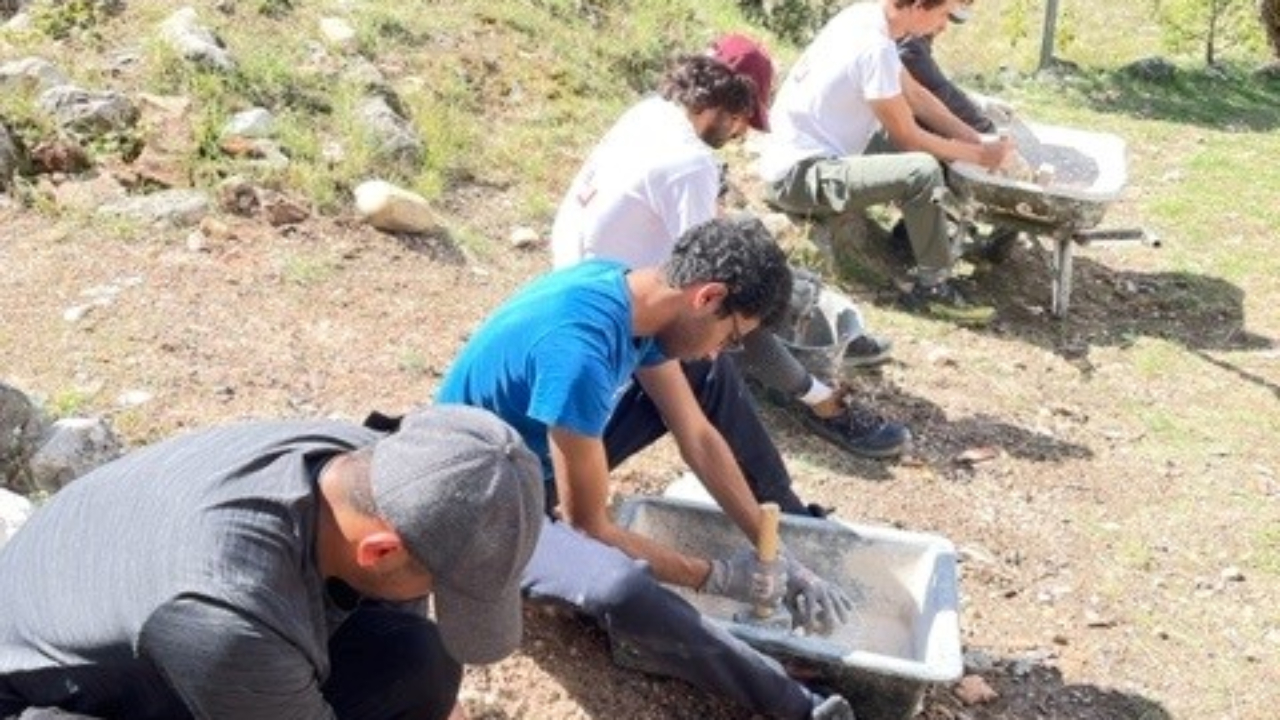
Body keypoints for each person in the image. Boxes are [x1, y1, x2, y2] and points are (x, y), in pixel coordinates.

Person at [438, 217, 857, 720]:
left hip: (535, 454)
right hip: (480, 501)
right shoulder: (580, 352)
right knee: (621, 585)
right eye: (731, 334)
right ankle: (800, 708)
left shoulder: (639, 296)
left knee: (707, 375)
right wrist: (719, 577)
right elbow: (588, 524)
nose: (723, 348)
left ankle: (795, 522)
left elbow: (697, 435)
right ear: (708, 297)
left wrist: (778, 553)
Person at [0, 405, 545, 720]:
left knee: (418, 659)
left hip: (130, 615)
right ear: (380, 550)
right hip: (52, 695)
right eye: (443, 587)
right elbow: (227, 629)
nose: (440, 601)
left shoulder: (366, 464)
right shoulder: (227, 614)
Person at [552, 36, 910, 461]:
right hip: (613, 311)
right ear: (726, 103)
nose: (741, 132)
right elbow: (722, 284)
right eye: (742, 119)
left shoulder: (651, 112)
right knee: (731, 324)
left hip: (576, 269)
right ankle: (822, 403)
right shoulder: (689, 163)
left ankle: (826, 357)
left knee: (747, 245)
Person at [758, 0, 1016, 326]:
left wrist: (975, 139)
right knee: (922, 170)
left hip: (805, 157)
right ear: (919, 6)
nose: (943, 26)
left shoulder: (867, 17)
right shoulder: (874, 47)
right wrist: (980, 156)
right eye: (942, 15)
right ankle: (932, 288)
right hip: (801, 174)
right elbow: (909, 137)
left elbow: (915, 96)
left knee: (930, 145)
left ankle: (914, 241)